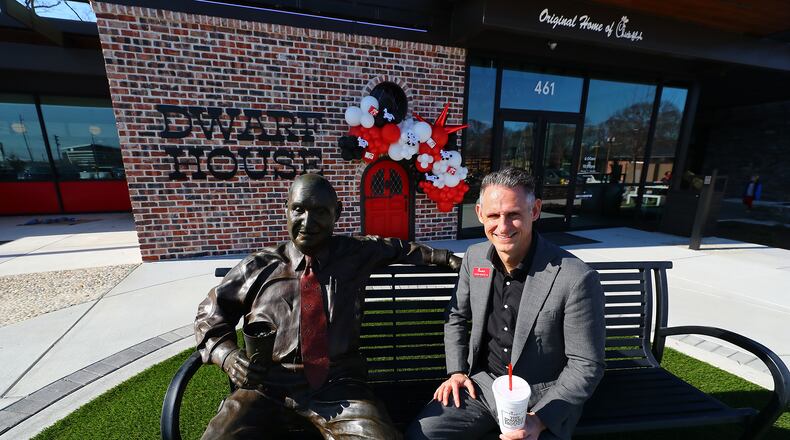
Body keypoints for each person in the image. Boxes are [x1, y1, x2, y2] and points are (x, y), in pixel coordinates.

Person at [195, 173, 461, 440]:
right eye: (299, 209)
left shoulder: (355, 253)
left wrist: (447, 258)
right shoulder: (259, 267)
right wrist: (228, 356)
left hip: (339, 387)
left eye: (320, 211)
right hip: (266, 386)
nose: (307, 222)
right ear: (285, 209)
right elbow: (211, 314)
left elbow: (399, 248)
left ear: (337, 214)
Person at [406, 167, 605, 440]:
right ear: (479, 214)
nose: (502, 226)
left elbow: (586, 363)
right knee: (422, 435)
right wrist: (456, 371)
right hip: (482, 385)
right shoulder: (475, 259)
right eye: (493, 215)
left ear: (534, 211)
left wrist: (541, 420)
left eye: (514, 215)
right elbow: (456, 318)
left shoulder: (575, 277)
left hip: (541, 397)